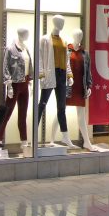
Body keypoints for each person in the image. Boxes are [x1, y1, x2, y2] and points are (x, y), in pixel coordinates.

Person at [51, 29, 96, 151]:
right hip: (67, 86)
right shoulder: (66, 49)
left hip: (80, 87)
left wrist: (89, 86)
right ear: (72, 36)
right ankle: (51, 139)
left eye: (81, 35)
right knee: (60, 111)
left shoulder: (85, 53)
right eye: (77, 35)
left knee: (81, 116)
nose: (79, 37)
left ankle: (87, 142)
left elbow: (88, 71)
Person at [38, 15, 75, 148]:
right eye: (59, 22)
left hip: (61, 75)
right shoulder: (45, 39)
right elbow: (40, 57)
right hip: (50, 74)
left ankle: (65, 136)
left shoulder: (64, 41)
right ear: (54, 23)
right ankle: (34, 133)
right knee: (42, 104)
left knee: (61, 107)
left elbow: (67, 60)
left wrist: (69, 75)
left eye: (63, 22)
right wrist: (41, 73)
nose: (62, 24)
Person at [0, 28, 32, 148]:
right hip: (15, 84)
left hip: (25, 84)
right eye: (26, 34)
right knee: (7, 113)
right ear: (20, 34)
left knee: (23, 114)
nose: (27, 35)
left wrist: (30, 82)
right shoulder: (10, 49)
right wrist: (9, 85)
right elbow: (5, 67)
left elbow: (29, 65)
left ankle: (24, 141)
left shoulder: (26, 48)